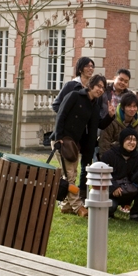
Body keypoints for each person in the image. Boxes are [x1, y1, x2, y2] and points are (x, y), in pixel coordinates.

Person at [52, 74, 114, 216]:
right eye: (98, 86)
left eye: (103, 88)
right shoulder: (74, 96)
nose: (100, 90)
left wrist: (110, 116)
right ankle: (78, 206)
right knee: (70, 176)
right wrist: (58, 138)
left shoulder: (95, 105)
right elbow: (61, 115)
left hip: (74, 144)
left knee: (70, 174)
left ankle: (66, 205)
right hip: (62, 141)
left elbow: (98, 124)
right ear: (91, 85)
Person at [101, 127, 138, 221]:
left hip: (128, 190)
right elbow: (102, 174)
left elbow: (135, 179)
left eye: (134, 140)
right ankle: (109, 213)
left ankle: (134, 214)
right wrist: (113, 186)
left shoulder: (137, 157)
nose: (132, 142)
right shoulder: (110, 155)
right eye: (128, 139)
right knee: (111, 207)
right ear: (122, 140)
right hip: (113, 192)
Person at [98, 92, 138, 156]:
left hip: (132, 156)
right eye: (129, 106)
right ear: (122, 107)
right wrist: (106, 161)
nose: (132, 109)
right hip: (114, 156)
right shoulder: (112, 119)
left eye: (134, 106)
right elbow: (104, 143)